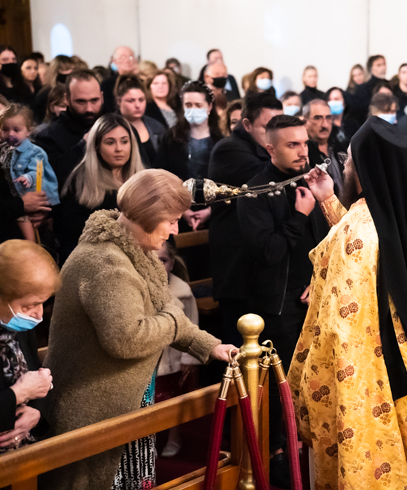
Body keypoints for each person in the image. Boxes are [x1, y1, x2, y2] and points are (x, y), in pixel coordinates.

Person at [288, 116, 407, 490]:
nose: (345, 166)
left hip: (368, 373)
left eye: (349, 160)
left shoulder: (360, 228)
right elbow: (370, 249)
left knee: (371, 459)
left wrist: (307, 376)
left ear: (366, 168)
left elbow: (339, 323)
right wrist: (329, 201)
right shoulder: (399, 214)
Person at [43, 169, 237, 490]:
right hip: (92, 410)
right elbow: (127, 339)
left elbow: (165, 310)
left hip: (127, 400)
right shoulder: (106, 264)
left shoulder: (137, 249)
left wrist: (210, 346)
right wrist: (174, 320)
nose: (175, 230)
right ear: (149, 214)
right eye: (171, 220)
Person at [237, 114, 329, 488]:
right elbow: (269, 252)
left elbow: (331, 240)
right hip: (276, 304)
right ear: (270, 147)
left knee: (313, 382)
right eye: (292, 145)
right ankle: (279, 456)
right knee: (281, 389)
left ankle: (310, 453)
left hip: (315, 297)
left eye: (304, 143)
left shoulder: (314, 181)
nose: (302, 151)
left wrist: (318, 277)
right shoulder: (254, 191)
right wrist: (298, 215)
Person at [208, 93, 282, 349]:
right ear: (247, 124)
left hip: (261, 269)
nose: (275, 135)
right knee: (239, 354)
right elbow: (269, 177)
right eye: (267, 127)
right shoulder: (229, 149)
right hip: (237, 271)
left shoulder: (263, 148)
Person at [54, 113, 144, 263]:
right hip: (95, 260)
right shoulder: (80, 179)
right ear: (96, 146)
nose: (119, 148)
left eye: (124, 141)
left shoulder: (143, 178)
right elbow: (69, 229)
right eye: (110, 142)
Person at [0, 240, 58, 453]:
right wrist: (17, 393)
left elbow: (36, 376)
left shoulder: (20, 327)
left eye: (43, 302)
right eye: (29, 305)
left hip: (24, 454)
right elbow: (25, 387)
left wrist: (37, 414)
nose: (39, 314)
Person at [154, 240, 200, 458]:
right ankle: (148, 440)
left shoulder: (183, 292)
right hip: (151, 359)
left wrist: (188, 359)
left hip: (173, 356)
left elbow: (193, 326)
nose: (157, 265)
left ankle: (174, 437)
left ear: (171, 263)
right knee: (150, 402)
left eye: (162, 260)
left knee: (173, 399)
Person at [156, 81, 222, 232]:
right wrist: (182, 211)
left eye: (198, 105)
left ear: (209, 106)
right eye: (188, 105)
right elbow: (161, 175)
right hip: (175, 215)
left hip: (215, 216)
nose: (193, 110)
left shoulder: (221, 141)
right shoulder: (171, 138)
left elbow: (229, 180)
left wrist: (211, 211)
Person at [0, 105, 59, 242]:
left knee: (31, 233)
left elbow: (38, 171)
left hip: (30, 193)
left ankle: (33, 248)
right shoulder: (5, 150)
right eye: (5, 129)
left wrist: (28, 179)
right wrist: (19, 205)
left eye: (16, 129)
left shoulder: (33, 151)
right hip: (17, 205)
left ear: (28, 130)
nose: (10, 134)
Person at [35, 70, 104, 186]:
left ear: (101, 97)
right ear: (67, 99)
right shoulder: (48, 137)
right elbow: (48, 178)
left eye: (94, 100)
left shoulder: (115, 127)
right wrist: (82, 145)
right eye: (81, 101)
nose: (89, 109)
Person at [115, 74, 166, 167]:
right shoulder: (110, 127)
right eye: (131, 100)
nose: (137, 105)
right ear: (119, 101)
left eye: (141, 100)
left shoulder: (156, 127)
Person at [303, 99, 345, 193]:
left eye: (328, 118)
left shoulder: (341, 147)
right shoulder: (303, 154)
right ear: (305, 123)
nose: (325, 125)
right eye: (318, 118)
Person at [347, 54, 388, 126]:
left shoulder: (391, 85)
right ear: (371, 68)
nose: (383, 67)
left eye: (384, 64)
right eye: (379, 65)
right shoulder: (363, 88)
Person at [32, 55, 73, 123]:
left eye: (69, 69)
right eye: (63, 69)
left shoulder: (75, 92)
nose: (67, 72)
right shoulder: (44, 94)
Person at [100, 46, 137, 113]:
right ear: (115, 61)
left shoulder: (140, 82)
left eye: (130, 57)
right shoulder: (107, 84)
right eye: (123, 57)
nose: (127, 60)